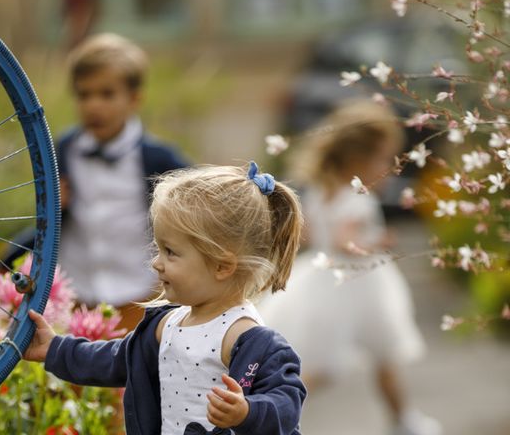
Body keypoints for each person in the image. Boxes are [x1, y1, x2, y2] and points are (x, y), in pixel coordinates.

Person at [24, 162, 307, 434]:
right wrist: (54, 349)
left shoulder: (246, 338)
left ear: (222, 266)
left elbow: (286, 403)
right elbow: (114, 360)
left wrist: (247, 412)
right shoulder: (167, 324)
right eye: (159, 249)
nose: (157, 263)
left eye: (170, 252)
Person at [259, 100, 441, 435]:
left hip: (324, 279)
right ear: (359, 159)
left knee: (379, 358)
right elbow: (345, 242)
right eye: (383, 159)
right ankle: (271, 412)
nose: (389, 166)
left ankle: (403, 419)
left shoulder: (320, 192)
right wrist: (377, 242)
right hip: (356, 284)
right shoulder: (357, 199)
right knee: (335, 366)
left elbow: (312, 234)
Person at [56, 33, 188, 330]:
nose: (93, 105)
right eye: (83, 94)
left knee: (131, 373)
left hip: (139, 295)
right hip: (77, 292)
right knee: (72, 370)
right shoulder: (63, 149)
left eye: (106, 94)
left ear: (134, 99)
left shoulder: (159, 158)